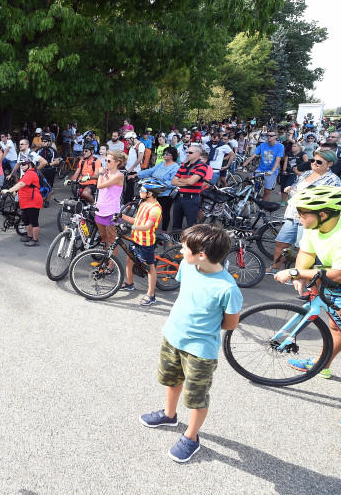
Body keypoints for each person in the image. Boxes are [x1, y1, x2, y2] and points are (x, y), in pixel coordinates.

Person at [140, 224, 242, 463]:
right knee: (171, 380)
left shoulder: (228, 288)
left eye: (185, 247)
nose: (180, 250)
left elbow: (230, 324)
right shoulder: (187, 266)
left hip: (200, 351)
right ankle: (169, 414)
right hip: (172, 337)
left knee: (196, 397)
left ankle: (191, 437)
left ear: (202, 255)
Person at [272, 186, 341, 435]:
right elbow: (306, 255)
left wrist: (295, 273)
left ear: (325, 213)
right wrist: (300, 276)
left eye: (303, 212)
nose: (299, 216)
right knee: (337, 325)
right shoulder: (314, 227)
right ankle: (323, 363)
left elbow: (338, 274)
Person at [269, 149, 340, 273]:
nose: (314, 163)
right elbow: (297, 188)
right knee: (281, 242)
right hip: (293, 215)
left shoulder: (333, 180)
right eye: (313, 160)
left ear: (329, 164)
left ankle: (300, 275)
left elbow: (333, 201)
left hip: (310, 219)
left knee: (304, 249)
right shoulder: (307, 174)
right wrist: (291, 189)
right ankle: (275, 268)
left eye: (319, 162)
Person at [120, 179, 165, 305]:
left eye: (143, 190)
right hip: (135, 238)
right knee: (129, 260)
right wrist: (121, 216)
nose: (140, 191)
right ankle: (129, 283)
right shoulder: (143, 204)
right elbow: (136, 221)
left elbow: (147, 226)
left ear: (150, 193)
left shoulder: (155, 209)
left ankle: (151, 295)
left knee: (149, 268)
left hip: (146, 242)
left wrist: (131, 228)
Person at [1, 157, 42, 246]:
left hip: (33, 201)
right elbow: (23, 186)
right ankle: (29, 236)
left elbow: (21, 184)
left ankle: (35, 240)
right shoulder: (26, 174)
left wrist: (9, 190)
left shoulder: (31, 173)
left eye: (24, 165)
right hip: (26, 202)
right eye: (21, 165)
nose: (22, 167)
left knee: (34, 221)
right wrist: (16, 191)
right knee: (26, 220)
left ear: (30, 164)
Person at [138, 147, 180, 230]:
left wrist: (159, 184)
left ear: (172, 156)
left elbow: (172, 182)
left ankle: (163, 232)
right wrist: (137, 174)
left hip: (165, 194)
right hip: (154, 192)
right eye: (164, 153)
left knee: (165, 213)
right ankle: (148, 228)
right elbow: (150, 171)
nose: (164, 155)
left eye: (167, 154)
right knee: (151, 211)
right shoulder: (161, 163)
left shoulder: (175, 167)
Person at [170, 146, 208, 230]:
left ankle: (188, 243)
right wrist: (187, 181)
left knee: (191, 226)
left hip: (191, 199)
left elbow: (191, 182)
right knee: (176, 225)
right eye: (187, 152)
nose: (187, 154)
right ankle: (174, 241)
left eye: (190, 152)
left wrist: (180, 180)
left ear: (198, 153)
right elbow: (173, 182)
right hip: (179, 198)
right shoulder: (184, 165)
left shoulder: (202, 166)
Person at [95, 151, 127, 249]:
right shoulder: (106, 173)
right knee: (104, 239)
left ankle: (111, 264)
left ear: (117, 162)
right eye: (105, 160)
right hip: (100, 209)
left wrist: (100, 174)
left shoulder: (119, 175)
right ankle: (105, 262)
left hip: (111, 211)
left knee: (112, 239)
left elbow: (99, 186)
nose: (106, 163)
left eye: (109, 161)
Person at [244, 130, 284, 201]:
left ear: (276, 137)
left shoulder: (280, 146)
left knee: (267, 192)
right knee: (246, 181)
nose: (268, 137)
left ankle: (262, 209)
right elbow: (253, 155)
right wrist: (244, 165)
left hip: (271, 171)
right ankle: (248, 198)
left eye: (271, 136)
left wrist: (272, 171)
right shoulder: (262, 145)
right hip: (261, 169)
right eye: (267, 135)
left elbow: (278, 160)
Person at [37, 136, 60, 207]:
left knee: (49, 186)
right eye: (43, 142)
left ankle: (47, 201)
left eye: (45, 142)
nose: (43, 143)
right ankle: (40, 199)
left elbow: (57, 161)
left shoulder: (52, 150)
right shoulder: (39, 150)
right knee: (39, 186)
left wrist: (49, 164)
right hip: (41, 171)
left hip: (50, 170)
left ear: (49, 142)